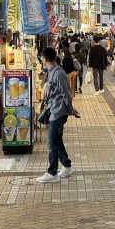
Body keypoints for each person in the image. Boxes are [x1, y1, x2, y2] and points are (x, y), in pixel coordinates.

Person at [36, 47, 74, 183]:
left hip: (58, 113)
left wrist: (70, 110)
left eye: (41, 57)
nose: (41, 59)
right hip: (54, 110)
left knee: (52, 143)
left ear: (45, 59)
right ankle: (67, 165)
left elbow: (67, 94)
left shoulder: (58, 73)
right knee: (57, 141)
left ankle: (52, 173)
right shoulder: (51, 71)